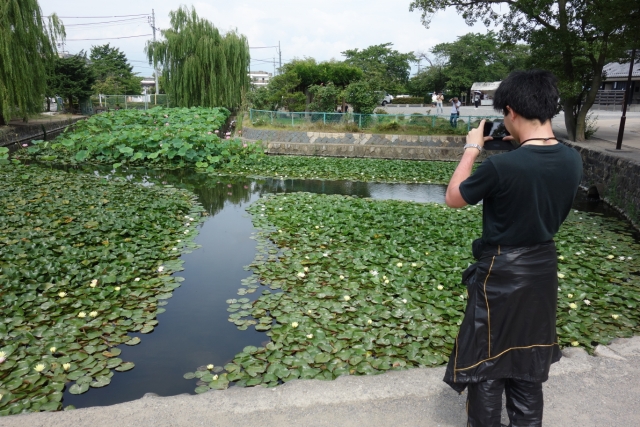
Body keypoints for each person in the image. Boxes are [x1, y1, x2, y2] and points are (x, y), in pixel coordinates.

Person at [443, 70, 583, 427]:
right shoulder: (573, 160)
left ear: (511, 111)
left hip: (501, 272)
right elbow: (537, 171)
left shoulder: (503, 166)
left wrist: (472, 148)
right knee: (528, 362)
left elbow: (454, 198)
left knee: (488, 363)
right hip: (542, 270)